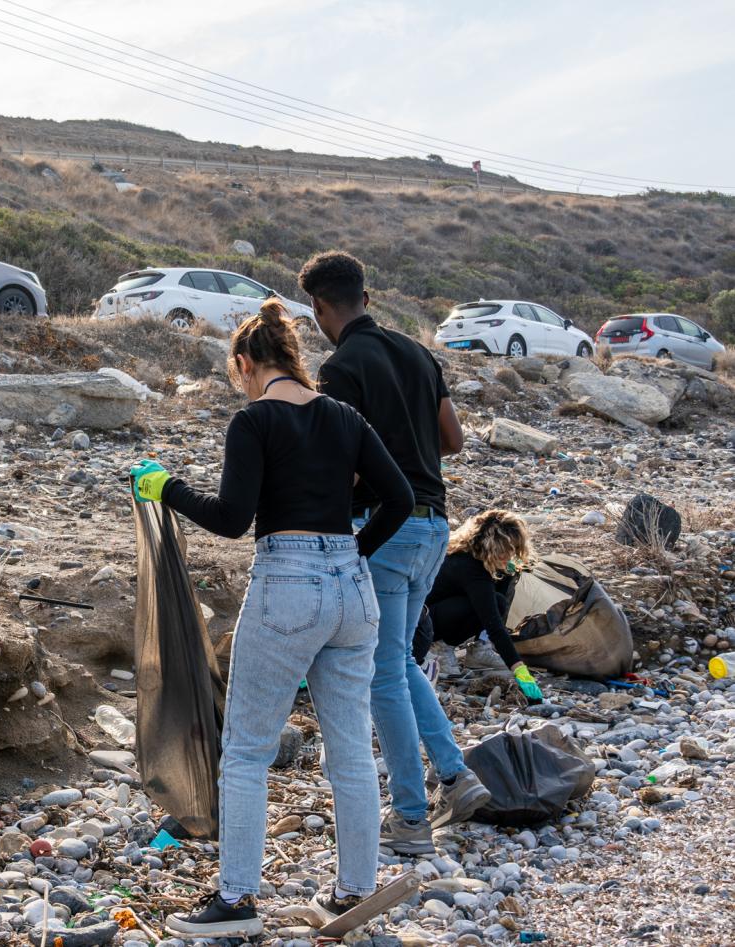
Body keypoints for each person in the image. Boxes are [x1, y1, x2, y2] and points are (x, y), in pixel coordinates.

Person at [132, 301, 413, 939]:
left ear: (245, 363)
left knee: (247, 751)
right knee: (350, 750)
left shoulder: (254, 420)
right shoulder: (344, 417)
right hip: (352, 590)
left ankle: (236, 902)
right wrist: (354, 553)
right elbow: (398, 497)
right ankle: (353, 892)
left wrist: (165, 486)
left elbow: (232, 519)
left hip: (286, 583)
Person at [304, 250, 489, 856]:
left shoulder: (340, 368)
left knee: (384, 671)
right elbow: (453, 439)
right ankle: (456, 776)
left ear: (320, 308)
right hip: (434, 526)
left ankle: (411, 815)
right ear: (366, 297)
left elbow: (344, 464)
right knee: (402, 662)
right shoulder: (417, 353)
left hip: (383, 526)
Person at [419, 510, 543, 702]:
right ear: (492, 545)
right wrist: (521, 671)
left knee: (505, 579)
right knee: (491, 603)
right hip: (424, 625)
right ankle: (439, 648)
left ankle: (479, 649)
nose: (509, 555)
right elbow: (494, 624)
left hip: (440, 611)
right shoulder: (469, 566)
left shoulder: (479, 558)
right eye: (505, 550)